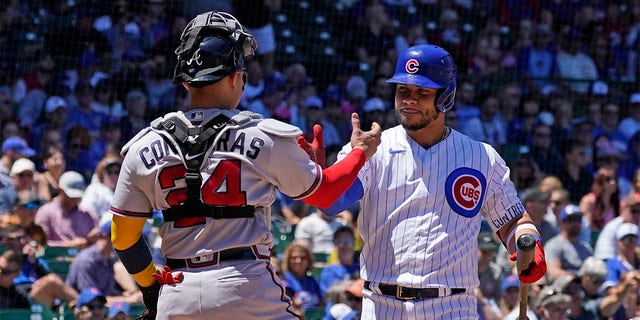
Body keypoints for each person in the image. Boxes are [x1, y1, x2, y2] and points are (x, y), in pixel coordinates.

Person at [108, 10, 381, 320]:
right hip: (245, 286)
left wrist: (151, 287)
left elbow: (123, 238)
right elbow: (326, 194)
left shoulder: (143, 144)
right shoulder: (263, 134)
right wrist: (358, 153)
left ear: (186, 83)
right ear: (235, 77)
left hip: (177, 291)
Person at [315, 44, 547, 319]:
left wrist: (527, 239)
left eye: (422, 92)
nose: (409, 99)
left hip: (452, 306)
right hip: (382, 305)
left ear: (445, 97)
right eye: (403, 90)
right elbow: (332, 204)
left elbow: (513, 221)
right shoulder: (371, 148)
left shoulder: (481, 157)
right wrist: (326, 174)